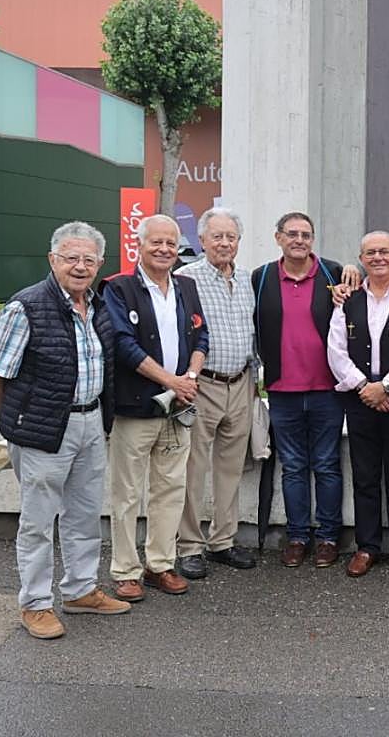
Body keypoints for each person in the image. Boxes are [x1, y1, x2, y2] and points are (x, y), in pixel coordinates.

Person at [0, 221, 130, 639]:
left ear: (100, 263)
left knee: (83, 516)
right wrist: (17, 425)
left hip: (90, 423)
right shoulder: (25, 306)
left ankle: (80, 591)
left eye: (88, 259)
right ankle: (35, 604)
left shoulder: (98, 307)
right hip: (43, 433)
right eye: (70, 258)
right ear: (52, 260)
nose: (79, 266)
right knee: (38, 523)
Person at [103, 214, 209, 602]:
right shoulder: (118, 289)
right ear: (140, 245)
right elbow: (123, 344)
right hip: (135, 407)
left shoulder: (186, 286)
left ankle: (160, 564)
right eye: (156, 243)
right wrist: (171, 381)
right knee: (127, 493)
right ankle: (126, 571)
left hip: (178, 407)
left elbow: (202, 335)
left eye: (170, 243)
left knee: (170, 490)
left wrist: (191, 378)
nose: (164, 249)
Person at [327, 231, 389, 577]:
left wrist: (385, 386)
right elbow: (336, 350)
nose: (378, 258)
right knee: (365, 475)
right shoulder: (347, 299)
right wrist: (364, 387)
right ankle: (367, 546)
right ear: (361, 257)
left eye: (385, 251)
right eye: (370, 252)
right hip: (359, 399)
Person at [253, 212, 349, 569]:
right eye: (291, 234)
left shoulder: (333, 272)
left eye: (306, 234)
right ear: (278, 237)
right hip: (281, 389)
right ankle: (296, 537)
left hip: (327, 387)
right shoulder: (261, 278)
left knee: (326, 464)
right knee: (292, 466)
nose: (299, 240)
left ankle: (327, 537)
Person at [174, 208, 258, 579]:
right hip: (202, 385)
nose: (225, 243)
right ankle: (189, 546)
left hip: (240, 383)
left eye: (231, 237)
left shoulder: (246, 278)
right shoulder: (185, 278)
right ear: (202, 240)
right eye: (217, 236)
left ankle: (223, 541)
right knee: (193, 469)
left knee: (230, 469)